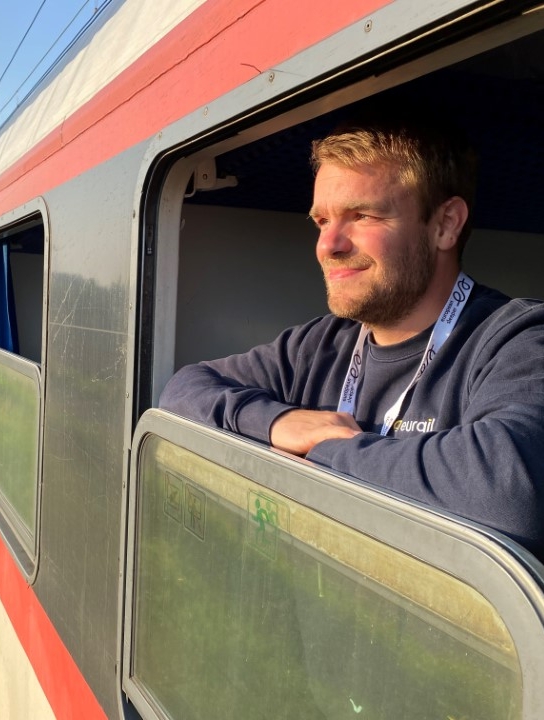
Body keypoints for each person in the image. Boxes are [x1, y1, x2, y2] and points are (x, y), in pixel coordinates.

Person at [159, 109, 544, 561]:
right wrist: (277, 423)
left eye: (361, 215)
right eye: (321, 221)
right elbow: (184, 389)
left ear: (445, 225)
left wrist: (319, 451)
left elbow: (507, 492)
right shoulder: (320, 344)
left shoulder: (514, 339)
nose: (329, 245)